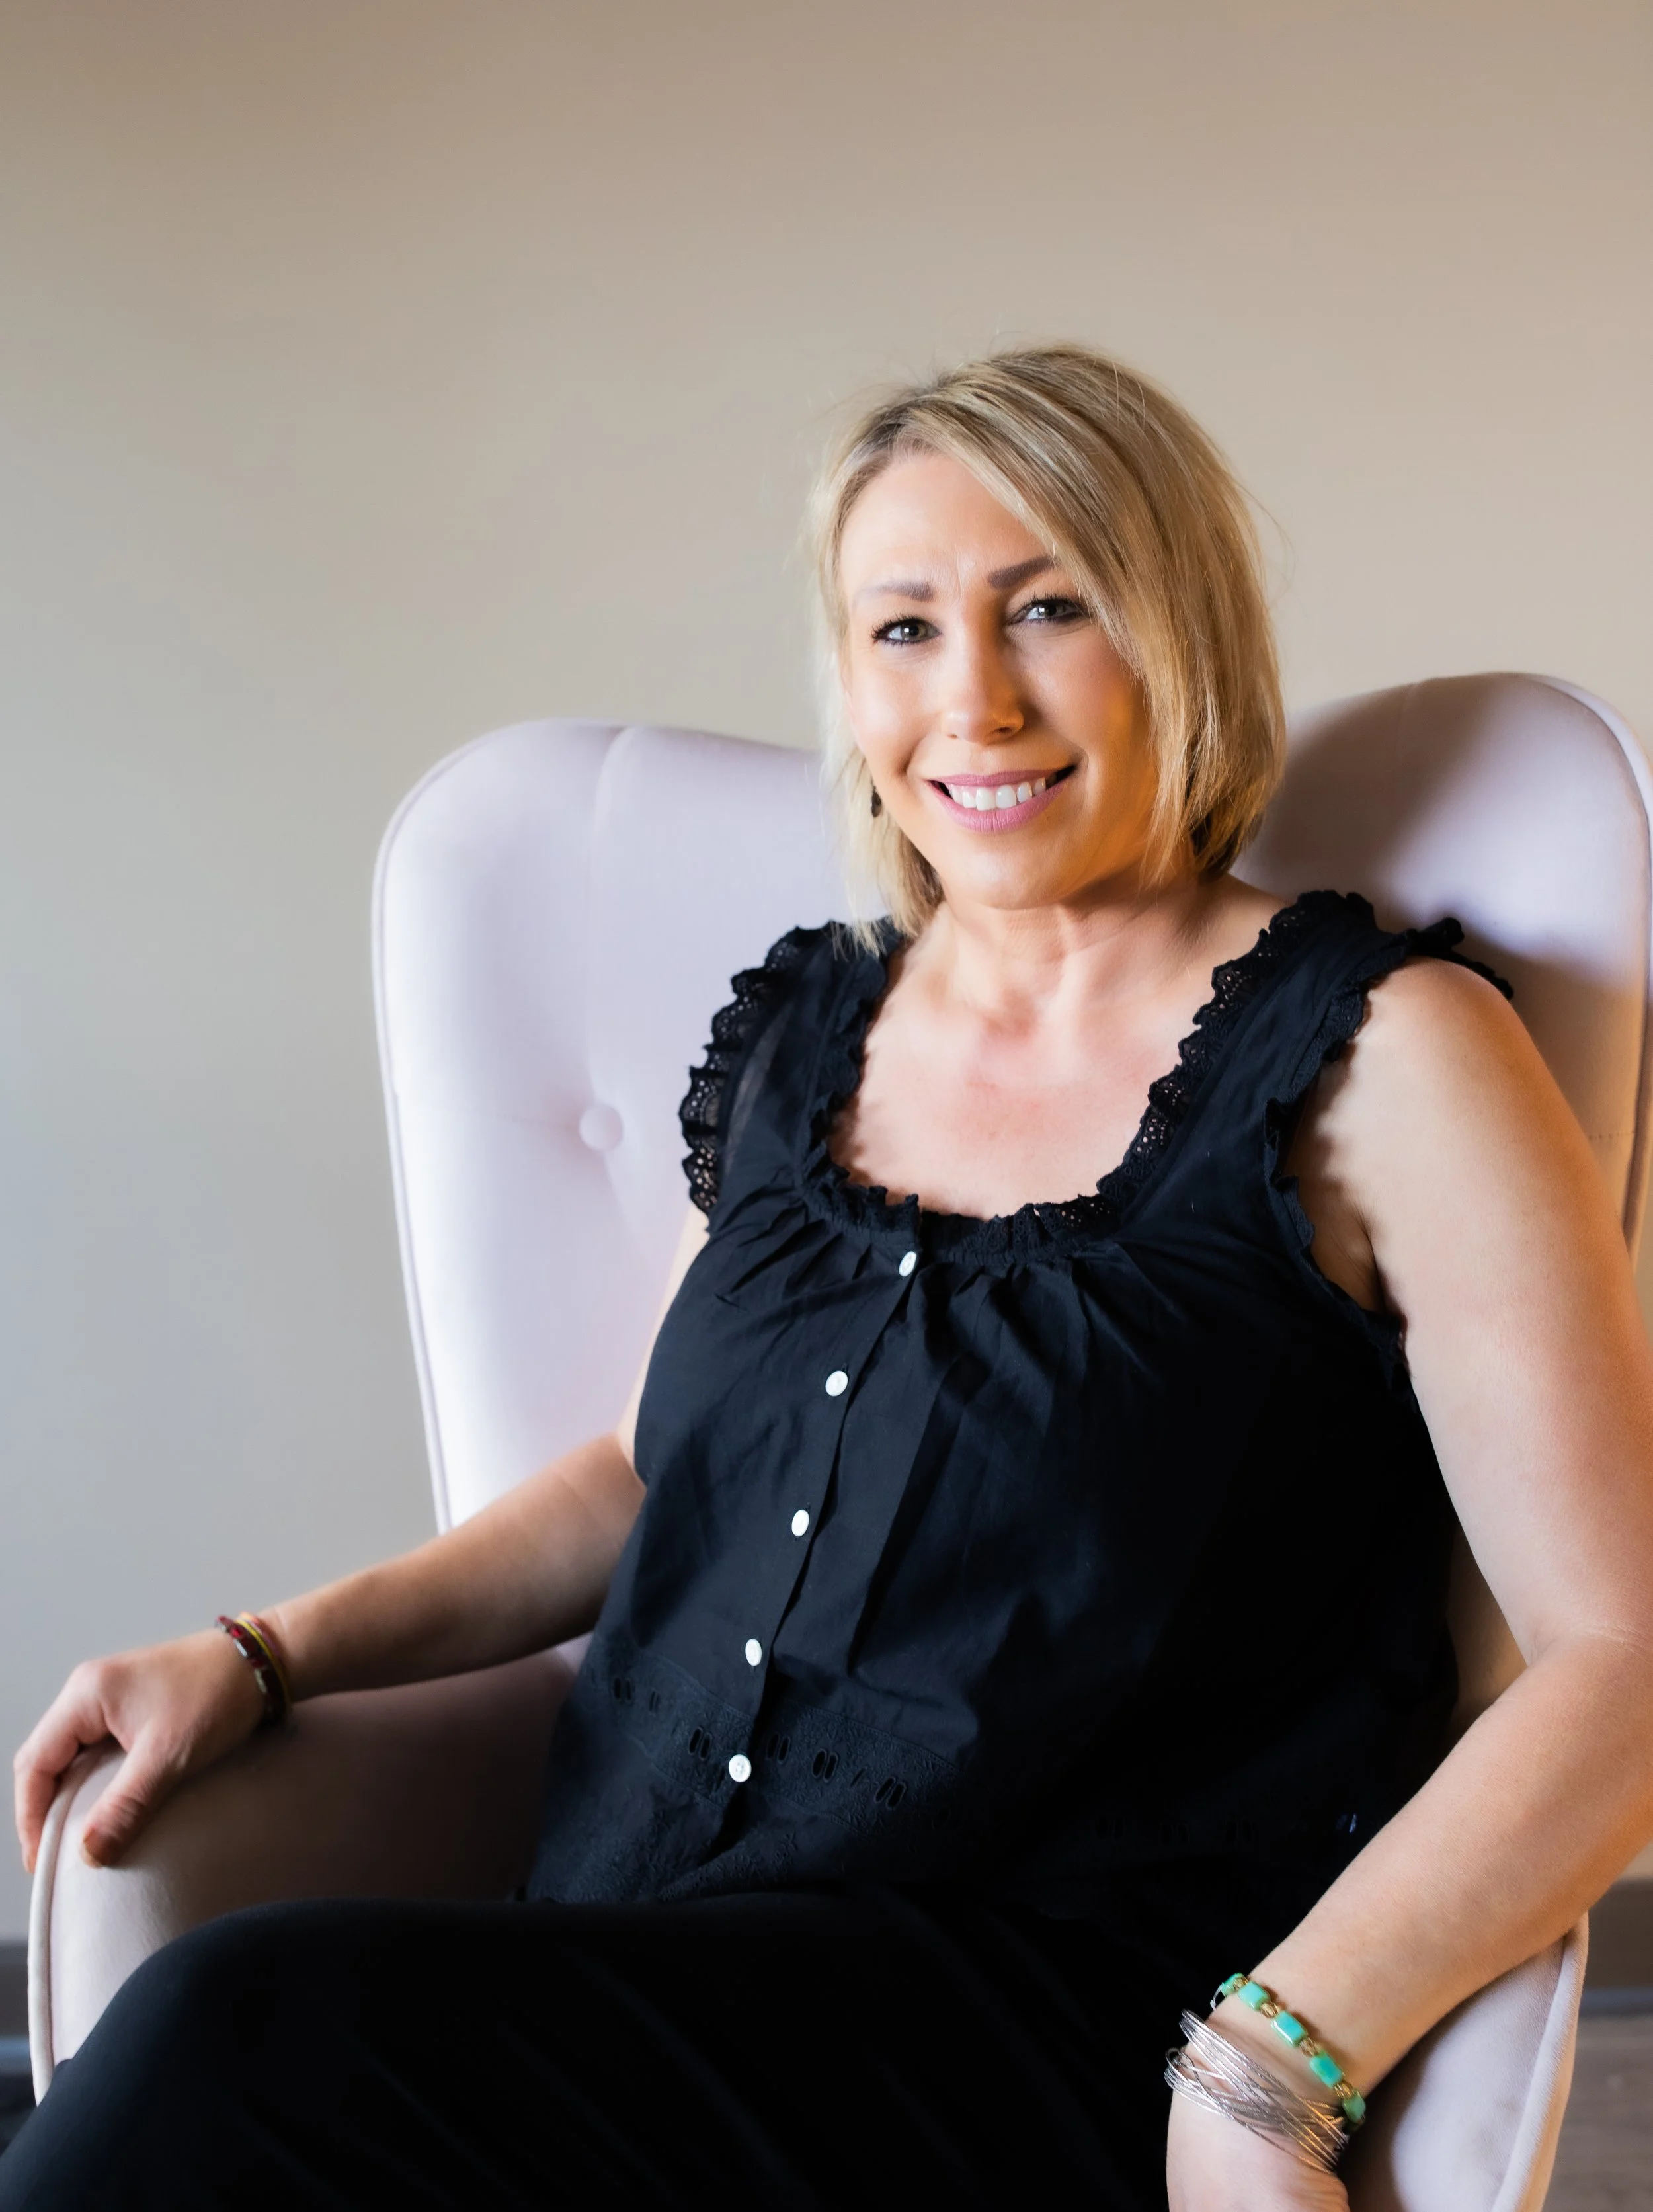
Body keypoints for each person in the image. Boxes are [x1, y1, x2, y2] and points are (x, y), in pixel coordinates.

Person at [6, 345, 1653, 2212]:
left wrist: (1272, 2065)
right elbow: (656, 1476)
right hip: (633, 1979)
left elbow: (1620, 1656)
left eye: (1051, 608)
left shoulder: (1388, 1055)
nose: (973, 700)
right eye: (903, 628)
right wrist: (263, 1653)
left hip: (1022, 2027)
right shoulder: (810, 1029)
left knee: (233, 2031)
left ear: (1181, 636)